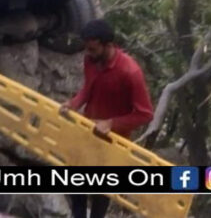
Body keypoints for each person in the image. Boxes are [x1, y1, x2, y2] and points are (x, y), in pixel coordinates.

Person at [59, 19, 154, 218]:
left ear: (108, 45)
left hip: (113, 144)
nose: (88, 53)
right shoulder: (91, 60)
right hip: (88, 134)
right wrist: (73, 103)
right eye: (86, 49)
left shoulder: (130, 72)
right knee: (76, 191)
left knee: (100, 199)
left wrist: (111, 123)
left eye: (93, 49)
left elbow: (145, 113)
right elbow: (88, 89)